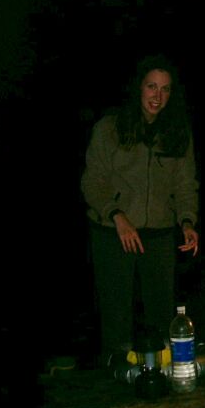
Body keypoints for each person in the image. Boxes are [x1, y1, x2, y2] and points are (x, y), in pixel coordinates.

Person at [80, 53, 199, 363]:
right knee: (117, 317)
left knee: (162, 314)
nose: (157, 96)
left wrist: (187, 222)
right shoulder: (109, 127)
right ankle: (116, 379)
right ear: (138, 88)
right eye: (151, 87)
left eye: (165, 89)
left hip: (158, 234)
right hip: (112, 232)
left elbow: (185, 184)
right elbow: (92, 182)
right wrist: (116, 215)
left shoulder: (177, 132)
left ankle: (162, 381)